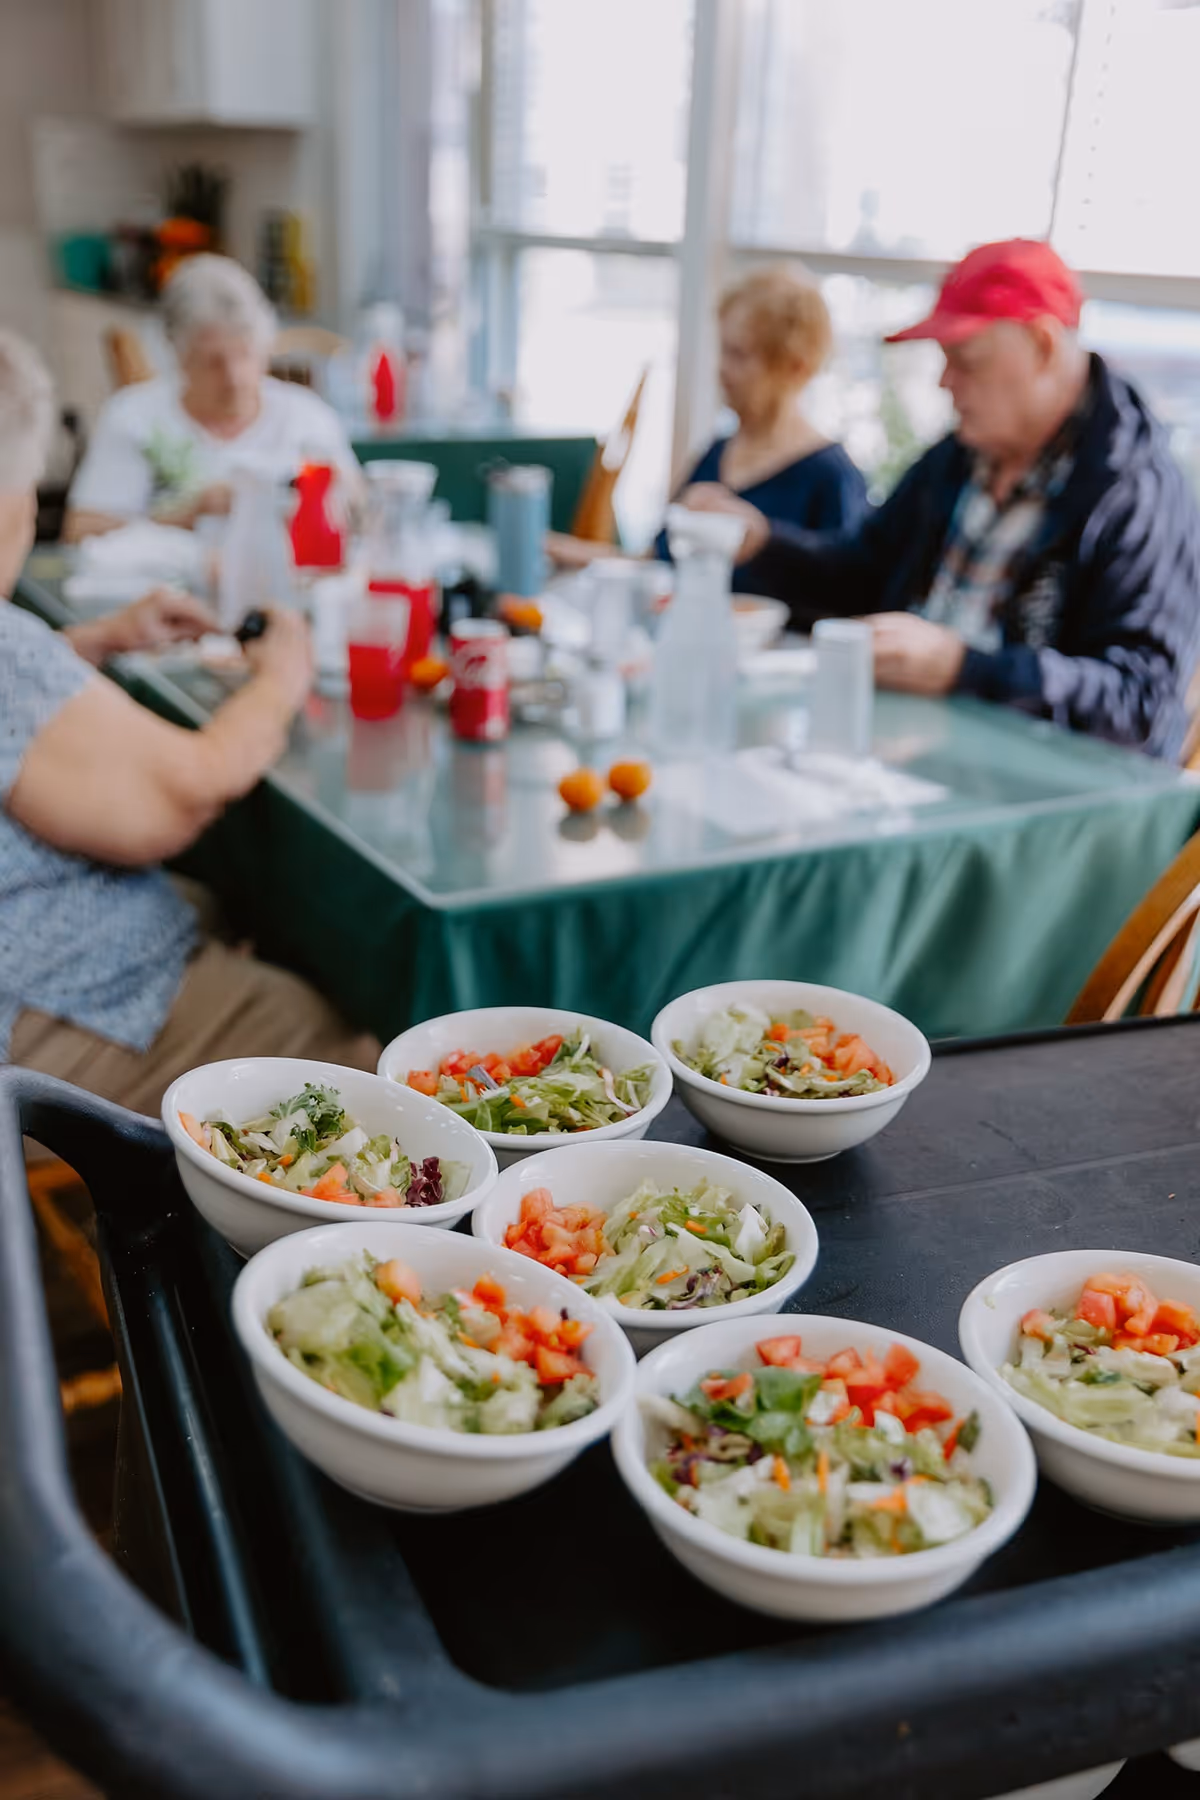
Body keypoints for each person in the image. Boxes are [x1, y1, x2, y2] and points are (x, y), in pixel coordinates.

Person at [0, 328, 378, 1116]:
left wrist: (86, 643)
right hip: (42, 1015)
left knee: (224, 903)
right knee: (356, 1035)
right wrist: (281, 679)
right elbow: (184, 796)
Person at [688, 240, 1200, 759]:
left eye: (966, 361)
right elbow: (863, 574)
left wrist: (962, 668)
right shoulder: (956, 459)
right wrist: (762, 542)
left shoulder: (1139, 497)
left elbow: (1143, 705)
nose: (944, 382)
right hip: (900, 757)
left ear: (1043, 346)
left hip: (1033, 799)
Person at [547, 267, 867, 583]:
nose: (722, 370)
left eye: (739, 355)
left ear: (796, 367)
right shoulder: (717, 452)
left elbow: (843, 591)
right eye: (723, 350)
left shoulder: (830, 478)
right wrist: (568, 552)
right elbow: (658, 563)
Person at [64, 255, 361, 542]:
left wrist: (346, 498)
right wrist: (190, 514)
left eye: (244, 354)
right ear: (178, 357)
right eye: (212, 362)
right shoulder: (134, 417)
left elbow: (362, 510)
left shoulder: (306, 417)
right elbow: (80, 533)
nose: (234, 377)